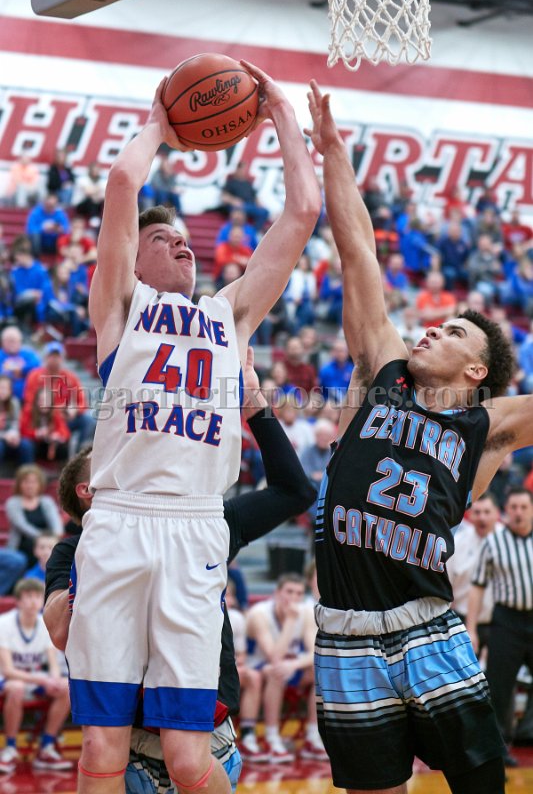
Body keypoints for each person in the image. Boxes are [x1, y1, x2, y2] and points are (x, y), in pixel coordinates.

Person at [65, 64, 320, 794]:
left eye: (186, 240)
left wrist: (279, 112)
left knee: (186, 755)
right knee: (102, 751)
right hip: (119, 520)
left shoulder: (229, 315)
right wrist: (159, 121)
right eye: (164, 239)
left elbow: (301, 213)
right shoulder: (121, 306)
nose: (183, 246)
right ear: (134, 257)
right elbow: (123, 181)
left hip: (197, 527)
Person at [304, 80, 533, 794]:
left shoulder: (486, 428)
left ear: (475, 370)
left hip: (428, 626)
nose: (432, 328)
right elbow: (357, 252)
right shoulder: (384, 370)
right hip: (344, 629)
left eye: (453, 331)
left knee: (482, 784)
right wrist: (333, 151)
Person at [43, 347, 317, 792]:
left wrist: (254, 405)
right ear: (88, 490)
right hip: (124, 748)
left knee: (189, 761)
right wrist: (93, 561)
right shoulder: (71, 552)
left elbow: (296, 490)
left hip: (206, 740)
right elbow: (59, 631)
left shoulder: (201, 522)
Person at [466, 487, 533, 767]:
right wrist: (471, 628)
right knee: (499, 687)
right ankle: (498, 747)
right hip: (507, 621)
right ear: (506, 511)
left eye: (523, 507)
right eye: (513, 507)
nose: (518, 512)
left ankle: (527, 732)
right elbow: (477, 587)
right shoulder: (494, 543)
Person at [243, 573, 327, 763]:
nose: (294, 597)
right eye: (289, 591)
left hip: (290, 666)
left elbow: (316, 652)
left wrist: (293, 664)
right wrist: (290, 621)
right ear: (277, 593)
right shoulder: (259, 614)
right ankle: (272, 739)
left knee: (320, 670)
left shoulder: (306, 612)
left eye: (299, 593)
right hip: (258, 666)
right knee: (276, 671)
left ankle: (312, 738)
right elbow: (273, 657)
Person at [0, 578, 72, 775]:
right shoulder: (4, 624)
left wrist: (54, 679)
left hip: (32, 677)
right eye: (29, 596)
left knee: (66, 687)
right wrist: (43, 680)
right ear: (18, 601)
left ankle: (46, 747)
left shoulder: (43, 624)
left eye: (38, 596)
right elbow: (8, 670)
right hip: (6, 678)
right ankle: (9, 748)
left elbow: (53, 662)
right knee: (17, 687)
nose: (33, 601)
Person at [446, 493, 503, 656]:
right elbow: (447, 586)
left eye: (487, 512)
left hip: (500, 623)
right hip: (461, 621)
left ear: (497, 513)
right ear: (469, 515)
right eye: (477, 512)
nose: (482, 517)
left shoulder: (507, 541)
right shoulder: (457, 542)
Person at [23, 340, 96, 450]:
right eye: (51, 356)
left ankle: (80, 452)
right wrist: (52, 411)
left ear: (62, 358)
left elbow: (82, 402)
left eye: (57, 356)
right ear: (45, 358)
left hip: (65, 419)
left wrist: (75, 409)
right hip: (43, 420)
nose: (54, 359)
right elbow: (29, 401)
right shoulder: (35, 376)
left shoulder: (70, 378)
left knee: (88, 420)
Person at [5, 464, 63, 567]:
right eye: (26, 482)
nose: (30, 486)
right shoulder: (12, 503)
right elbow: (23, 526)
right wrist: (44, 539)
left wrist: (51, 540)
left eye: (34, 482)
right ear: (19, 484)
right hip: (22, 547)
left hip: (46, 546)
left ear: (40, 484)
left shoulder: (47, 501)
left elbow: (57, 525)